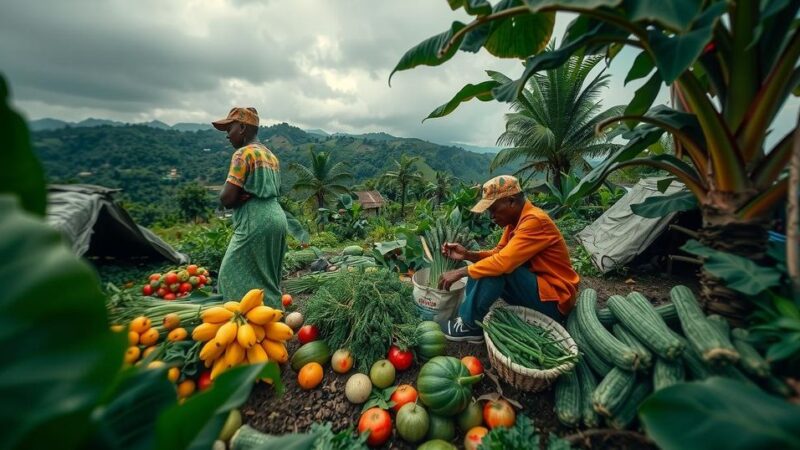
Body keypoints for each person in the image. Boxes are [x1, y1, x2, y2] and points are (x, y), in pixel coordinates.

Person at [437, 175, 579, 342]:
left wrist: (460, 272)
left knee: (499, 269)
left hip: (554, 302)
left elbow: (502, 263)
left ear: (511, 201)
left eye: (493, 210)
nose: (491, 217)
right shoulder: (514, 222)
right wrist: (468, 255)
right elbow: (498, 254)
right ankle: (469, 317)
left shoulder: (535, 221)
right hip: (539, 293)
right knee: (488, 265)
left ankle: (469, 325)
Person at [212, 107, 287, 306]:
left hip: (255, 220)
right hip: (277, 217)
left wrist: (236, 197)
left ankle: (238, 323)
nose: (228, 135)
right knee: (268, 279)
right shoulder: (271, 155)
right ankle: (273, 319)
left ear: (243, 127)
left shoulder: (242, 154)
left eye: (230, 128)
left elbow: (226, 198)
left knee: (229, 275)